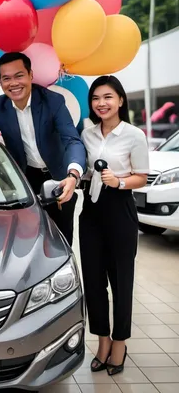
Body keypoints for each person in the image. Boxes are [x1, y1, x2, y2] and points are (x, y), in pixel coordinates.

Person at [0, 52, 86, 246]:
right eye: (7, 78)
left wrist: (73, 175)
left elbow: (72, 140)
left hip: (59, 178)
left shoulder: (53, 102)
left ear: (30, 75)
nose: (14, 83)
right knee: (27, 240)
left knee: (61, 241)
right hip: (26, 180)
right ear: (0, 83)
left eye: (19, 76)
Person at [80, 76, 148, 376]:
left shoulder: (134, 135)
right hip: (91, 211)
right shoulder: (87, 133)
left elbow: (142, 177)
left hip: (120, 208)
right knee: (94, 282)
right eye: (96, 98)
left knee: (121, 281)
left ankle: (120, 343)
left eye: (108, 97)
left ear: (120, 100)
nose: (101, 103)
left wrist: (119, 181)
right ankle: (102, 340)